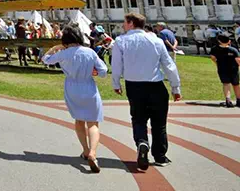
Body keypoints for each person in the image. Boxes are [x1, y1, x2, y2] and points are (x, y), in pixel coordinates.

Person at [112, 12, 182, 171]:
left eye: (124, 22)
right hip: (156, 85)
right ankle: (160, 155)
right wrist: (175, 87)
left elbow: (116, 65)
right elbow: (169, 65)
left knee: (138, 118)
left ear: (130, 23)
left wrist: (116, 83)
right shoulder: (156, 41)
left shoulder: (121, 41)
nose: (123, 25)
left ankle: (142, 142)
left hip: (134, 85)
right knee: (159, 123)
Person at [42, 24, 108, 173]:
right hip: (88, 85)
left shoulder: (64, 53)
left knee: (79, 120)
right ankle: (93, 152)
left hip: (72, 87)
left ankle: (85, 150)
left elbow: (46, 60)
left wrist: (54, 49)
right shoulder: (89, 52)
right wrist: (95, 72)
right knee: (93, 122)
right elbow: (103, 70)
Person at [210, 32, 240, 108]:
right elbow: (238, 60)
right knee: (236, 85)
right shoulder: (233, 50)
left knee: (226, 84)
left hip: (222, 69)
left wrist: (217, 64)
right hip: (233, 70)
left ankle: (228, 100)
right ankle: (238, 99)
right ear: (229, 41)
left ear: (219, 41)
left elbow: (213, 58)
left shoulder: (214, 49)